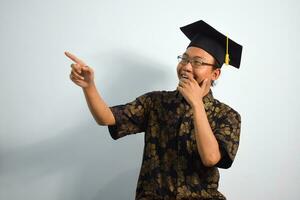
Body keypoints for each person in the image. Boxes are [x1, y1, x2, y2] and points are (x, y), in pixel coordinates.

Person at [65, 19, 243, 200]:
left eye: (197, 62)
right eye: (184, 58)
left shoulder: (227, 116)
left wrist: (196, 104)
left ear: (215, 73)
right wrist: (88, 86)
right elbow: (107, 118)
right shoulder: (156, 102)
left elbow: (211, 158)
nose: (187, 67)